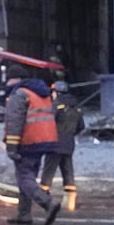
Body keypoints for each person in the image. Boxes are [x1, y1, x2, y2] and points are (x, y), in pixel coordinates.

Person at [3, 68, 61, 225]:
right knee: (28, 175)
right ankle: (24, 214)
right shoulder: (41, 92)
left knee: (24, 179)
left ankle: (48, 202)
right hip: (45, 140)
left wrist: (12, 146)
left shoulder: (19, 94)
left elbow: (14, 121)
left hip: (28, 141)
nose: (6, 83)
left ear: (17, 79)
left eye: (9, 79)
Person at [39, 79, 83, 212]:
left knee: (48, 171)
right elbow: (81, 126)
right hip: (69, 144)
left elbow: (48, 122)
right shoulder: (76, 107)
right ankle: (70, 201)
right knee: (68, 170)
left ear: (57, 93)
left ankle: (44, 199)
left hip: (54, 143)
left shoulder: (56, 105)